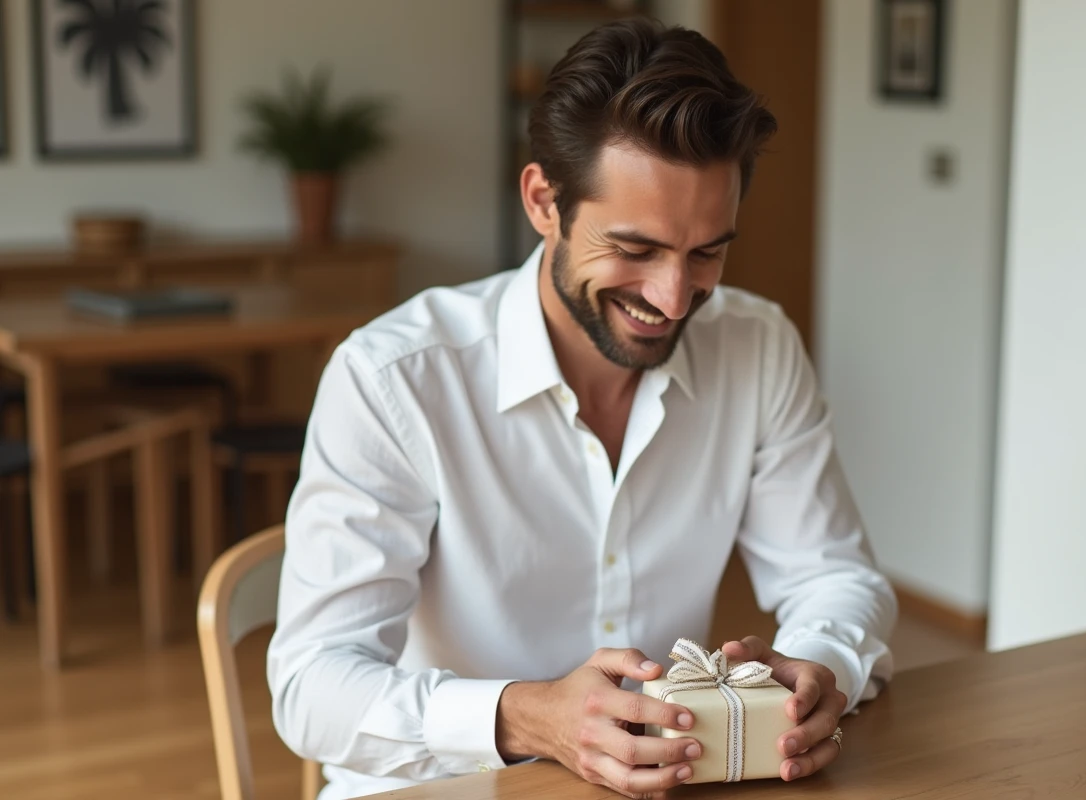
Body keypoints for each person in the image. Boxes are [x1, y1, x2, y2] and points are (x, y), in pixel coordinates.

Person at [267, 17, 896, 800]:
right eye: (635, 248)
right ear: (543, 202)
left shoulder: (758, 346)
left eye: (706, 251)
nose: (673, 298)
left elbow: (835, 575)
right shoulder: (394, 379)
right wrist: (529, 719)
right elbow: (311, 687)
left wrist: (819, 668)